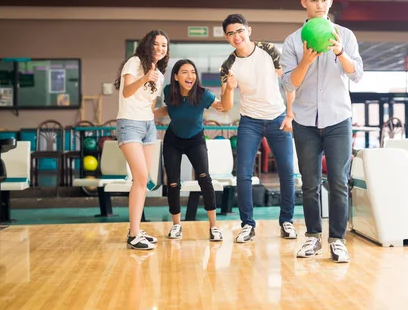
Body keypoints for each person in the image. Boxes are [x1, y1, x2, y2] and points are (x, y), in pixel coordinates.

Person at [280, 0, 364, 263]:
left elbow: (357, 75)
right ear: (304, 2)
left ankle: (337, 240)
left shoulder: (346, 35)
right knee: (310, 182)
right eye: (313, 0)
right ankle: (313, 237)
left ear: (330, 1)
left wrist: (340, 52)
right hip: (305, 120)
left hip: (338, 118)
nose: (319, 5)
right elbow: (289, 86)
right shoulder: (293, 41)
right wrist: (305, 60)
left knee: (339, 182)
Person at [220, 13, 297, 243]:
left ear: (248, 30)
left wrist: (290, 114)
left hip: (277, 117)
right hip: (249, 121)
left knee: (287, 172)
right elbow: (225, 106)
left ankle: (287, 222)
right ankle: (247, 225)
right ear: (226, 37)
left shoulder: (268, 50)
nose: (236, 36)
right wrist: (229, 89)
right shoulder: (228, 65)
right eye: (231, 33)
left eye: (240, 31)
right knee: (243, 174)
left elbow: (289, 82)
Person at [153, 59, 225, 241]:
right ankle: (176, 225)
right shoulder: (169, 91)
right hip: (173, 140)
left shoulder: (203, 94)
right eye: (184, 72)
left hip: (195, 140)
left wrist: (228, 88)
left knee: (204, 179)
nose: (190, 75)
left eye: (192, 72)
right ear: (176, 76)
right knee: (173, 183)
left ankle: (214, 227)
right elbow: (169, 109)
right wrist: (147, 112)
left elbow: (222, 106)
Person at [114, 30, 169, 250]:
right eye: (156, 44)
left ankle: (135, 230)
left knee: (144, 181)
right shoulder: (134, 63)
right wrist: (145, 77)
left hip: (148, 126)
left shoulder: (161, 74)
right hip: (129, 123)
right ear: (147, 45)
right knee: (141, 176)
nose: (160, 48)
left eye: (164, 45)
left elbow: (151, 106)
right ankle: (134, 235)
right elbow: (127, 92)